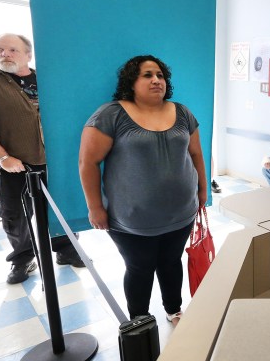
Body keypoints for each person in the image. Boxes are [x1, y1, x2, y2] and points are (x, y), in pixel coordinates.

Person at [79, 55, 207, 326]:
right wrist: (95, 207)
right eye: (147, 75)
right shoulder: (110, 115)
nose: (156, 80)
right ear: (131, 82)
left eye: (160, 75)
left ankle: (174, 309)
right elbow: (88, 162)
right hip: (132, 219)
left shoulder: (182, 112)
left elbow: (196, 154)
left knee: (171, 263)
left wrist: (203, 191)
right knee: (140, 268)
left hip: (181, 212)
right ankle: (140, 320)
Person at [0, 33, 84, 284]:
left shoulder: (46, 79)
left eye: (12, 50)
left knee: (61, 208)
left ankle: (66, 250)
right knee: (15, 215)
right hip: (15, 164)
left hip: (55, 161)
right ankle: (22, 260)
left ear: (28, 54)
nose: (5, 54)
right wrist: (3, 158)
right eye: (0, 49)